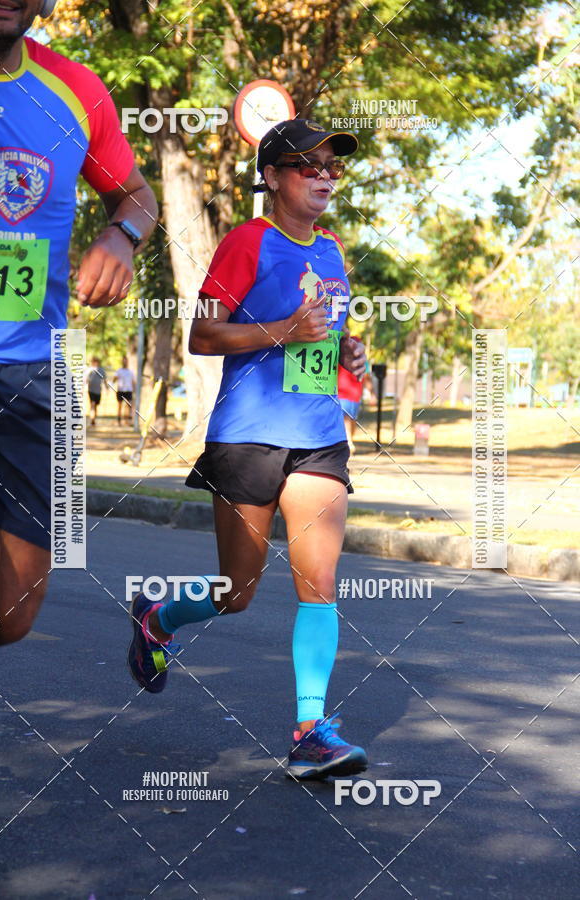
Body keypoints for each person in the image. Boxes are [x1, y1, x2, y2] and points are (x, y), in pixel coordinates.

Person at [127, 119, 368, 780]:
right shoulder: (247, 242)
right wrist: (281, 329)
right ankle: (158, 619)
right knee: (237, 591)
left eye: (332, 166)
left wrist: (349, 355)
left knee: (319, 586)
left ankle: (310, 732)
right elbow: (203, 336)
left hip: (318, 439)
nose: (325, 176)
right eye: (309, 165)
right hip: (248, 435)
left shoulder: (333, 250)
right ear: (272, 177)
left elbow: (326, 337)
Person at [0, 0, 157, 649]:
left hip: (36, 372)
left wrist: (121, 236)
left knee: (11, 614)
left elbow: (137, 196)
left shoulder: (76, 91)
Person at [338, 335, 373, 454]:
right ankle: (349, 440)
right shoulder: (361, 359)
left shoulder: (340, 353)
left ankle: (348, 440)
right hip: (353, 394)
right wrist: (371, 392)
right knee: (349, 418)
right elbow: (367, 376)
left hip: (342, 392)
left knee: (347, 419)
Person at [85, 356, 107, 426]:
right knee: (92, 404)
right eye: (93, 361)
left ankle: (94, 418)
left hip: (98, 390)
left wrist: (106, 388)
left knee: (96, 405)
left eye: (96, 361)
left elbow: (104, 379)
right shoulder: (89, 370)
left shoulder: (101, 370)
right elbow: (86, 379)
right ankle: (92, 419)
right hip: (91, 390)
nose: (95, 363)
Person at [114, 356, 136, 425]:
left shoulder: (131, 371)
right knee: (119, 406)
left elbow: (133, 381)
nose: (124, 362)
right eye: (123, 361)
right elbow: (114, 379)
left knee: (128, 406)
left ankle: (126, 421)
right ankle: (119, 420)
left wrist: (134, 389)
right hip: (120, 390)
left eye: (126, 361)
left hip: (128, 390)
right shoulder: (119, 371)